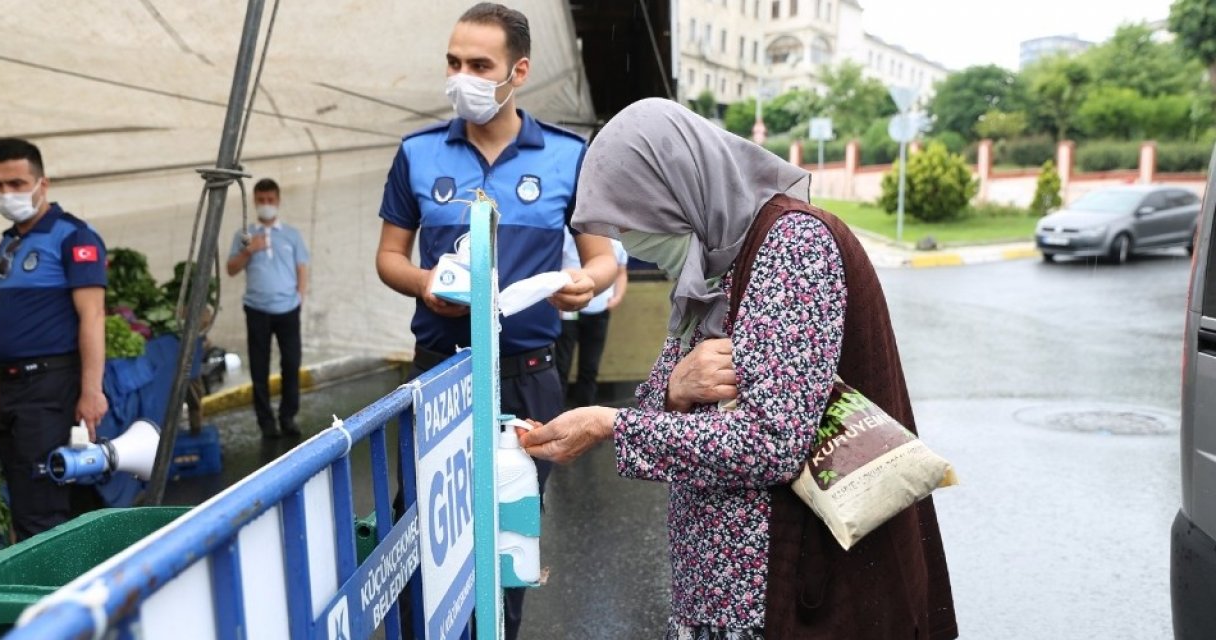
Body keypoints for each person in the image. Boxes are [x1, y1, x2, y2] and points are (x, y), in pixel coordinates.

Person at [521, 98, 957, 640]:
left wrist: (610, 425)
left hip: (786, 586)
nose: (633, 243)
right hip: (717, 588)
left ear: (678, 187)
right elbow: (665, 390)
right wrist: (677, 389)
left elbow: (771, 443)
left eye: (636, 222)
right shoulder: (712, 265)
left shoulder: (792, 247)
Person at [374, 4, 617, 638]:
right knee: (426, 533)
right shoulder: (418, 154)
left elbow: (602, 260)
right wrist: (424, 281)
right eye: (454, 63)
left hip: (526, 378)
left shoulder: (568, 156)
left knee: (508, 533)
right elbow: (389, 257)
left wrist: (585, 283)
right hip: (439, 377)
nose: (463, 78)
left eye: (480, 65)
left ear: (519, 71)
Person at [0, 137, 109, 541]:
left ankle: (51, 599)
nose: (6, 194)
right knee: (23, 496)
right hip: (13, 384)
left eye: (16, 184)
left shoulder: (74, 238)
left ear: (42, 184)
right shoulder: (10, 242)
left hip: (48, 386)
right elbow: (7, 318)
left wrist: (91, 391)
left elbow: (93, 316)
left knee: (40, 506)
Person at [227, 178, 310, 439]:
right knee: (259, 367)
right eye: (261, 201)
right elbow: (231, 269)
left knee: (291, 362)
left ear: (278, 201)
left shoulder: (292, 234)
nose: (266, 205)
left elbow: (302, 266)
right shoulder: (244, 236)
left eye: (270, 200)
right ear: (254, 202)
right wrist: (249, 251)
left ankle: (288, 416)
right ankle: (266, 422)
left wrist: (300, 296)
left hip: (288, 308)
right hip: (257, 309)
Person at [553, 228, 628, 407]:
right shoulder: (567, 234)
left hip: (598, 310)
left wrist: (617, 297)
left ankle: (584, 412)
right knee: (562, 365)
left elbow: (621, 271)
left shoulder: (616, 240)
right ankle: (556, 412)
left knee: (589, 367)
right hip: (568, 310)